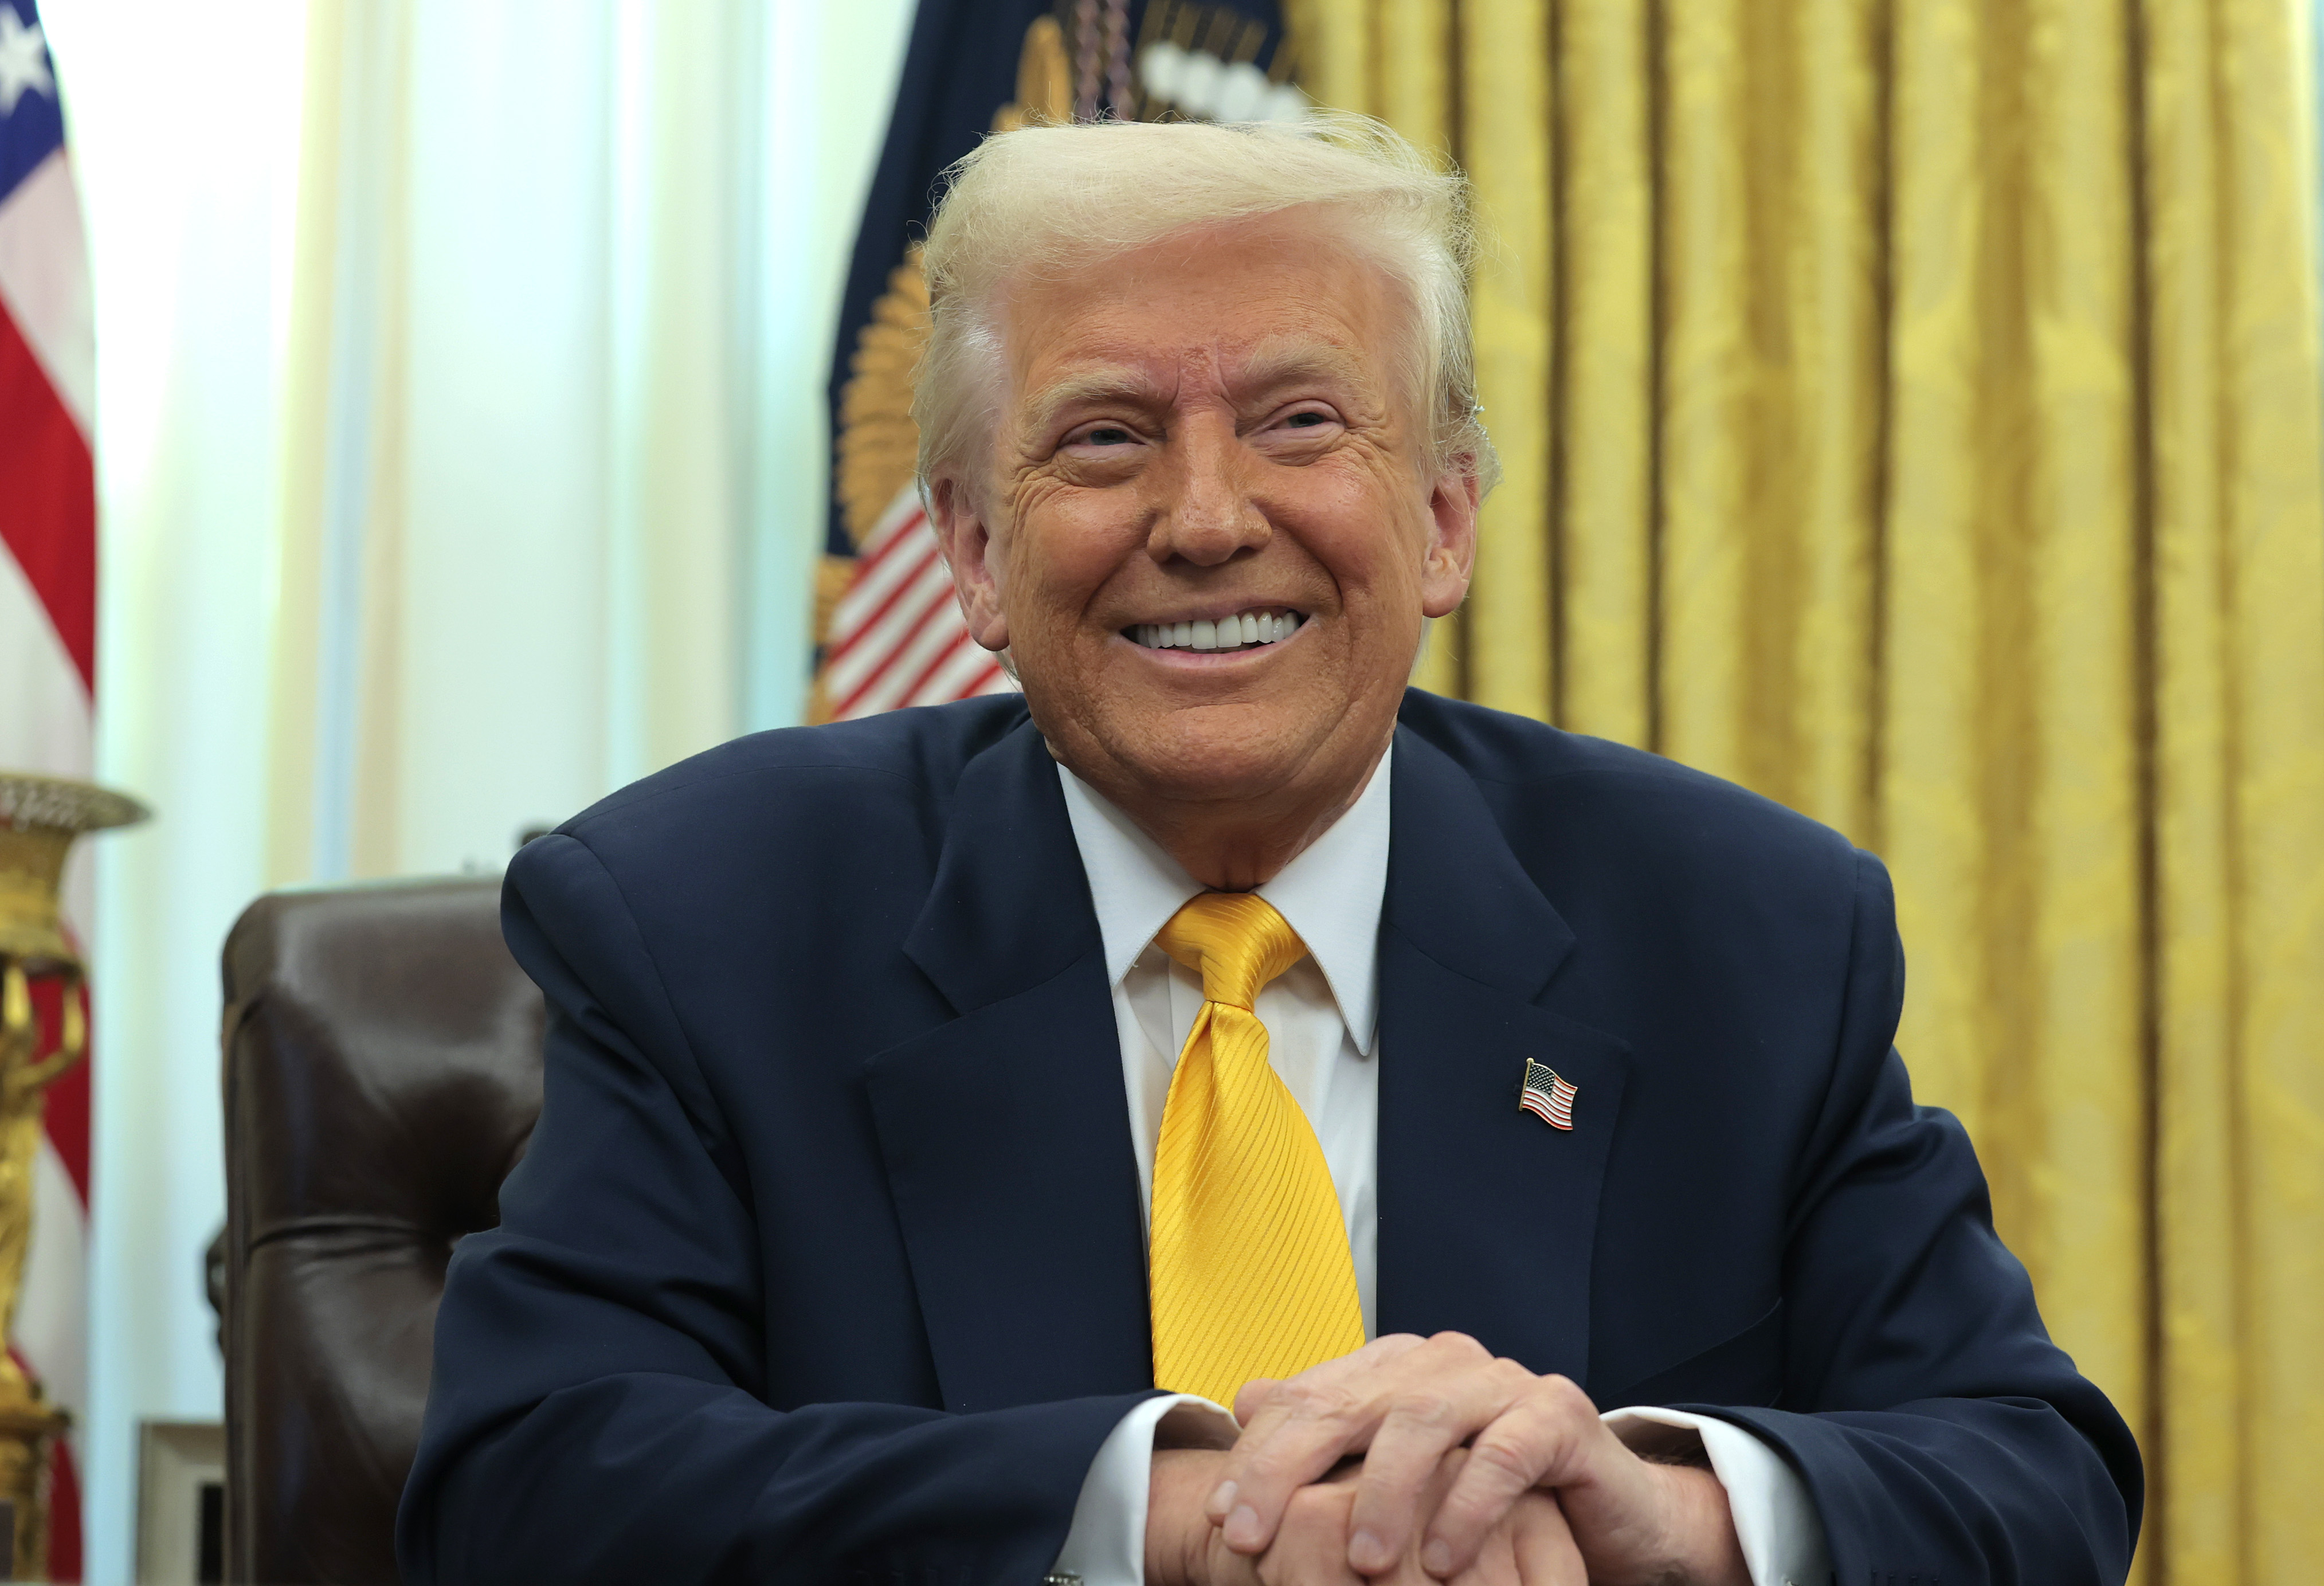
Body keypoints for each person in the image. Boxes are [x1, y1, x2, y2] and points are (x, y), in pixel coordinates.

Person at [397, 116, 2139, 1585]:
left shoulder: (1743, 932)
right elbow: (533, 1482)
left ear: (1444, 520)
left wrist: (1657, 1511)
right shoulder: (701, 920)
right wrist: (1165, 1515)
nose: (1210, 519)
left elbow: (2033, 1477)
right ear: (971, 554)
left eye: (1303, 422)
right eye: (1106, 439)